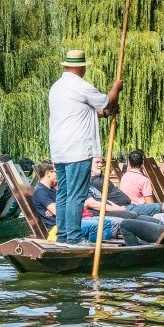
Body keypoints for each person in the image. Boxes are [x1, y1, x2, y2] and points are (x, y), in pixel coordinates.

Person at [48, 49, 121, 245]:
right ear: (81, 67)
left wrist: (105, 114)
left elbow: (84, 112)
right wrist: (117, 87)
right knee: (77, 194)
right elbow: (107, 101)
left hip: (60, 150)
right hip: (78, 148)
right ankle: (74, 238)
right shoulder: (80, 86)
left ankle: (63, 236)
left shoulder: (56, 87)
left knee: (63, 193)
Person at [31, 160, 58, 232]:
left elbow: (61, 205)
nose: (58, 174)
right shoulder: (40, 191)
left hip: (65, 225)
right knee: (92, 226)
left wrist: (56, 205)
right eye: (56, 172)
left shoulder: (52, 189)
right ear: (48, 173)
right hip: (57, 229)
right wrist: (56, 206)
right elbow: (58, 211)